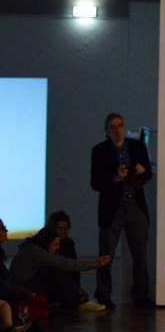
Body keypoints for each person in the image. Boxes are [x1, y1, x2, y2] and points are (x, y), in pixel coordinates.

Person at [90, 113, 153, 308]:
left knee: (140, 253)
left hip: (135, 203)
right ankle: (104, 295)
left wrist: (141, 172)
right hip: (112, 208)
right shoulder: (99, 151)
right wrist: (115, 178)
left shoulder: (137, 147)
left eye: (120, 126)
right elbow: (95, 183)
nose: (117, 130)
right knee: (106, 253)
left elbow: (149, 173)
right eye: (112, 127)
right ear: (107, 132)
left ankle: (141, 295)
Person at [9, 227, 110, 311]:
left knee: (56, 269)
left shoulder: (33, 248)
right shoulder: (35, 252)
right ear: (46, 242)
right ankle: (80, 301)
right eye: (55, 244)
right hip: (22, 289)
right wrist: (93, 264)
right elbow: (63, 263)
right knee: (55, 270)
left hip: (23, 286)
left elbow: (62, 260)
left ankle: (79, 300)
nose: (57, 248)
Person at [46, 210, 94, 310]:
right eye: (60, 228)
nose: (63, 231)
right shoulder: (44, 243)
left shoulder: (68, 243)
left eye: (66, 228)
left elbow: (73, 267)